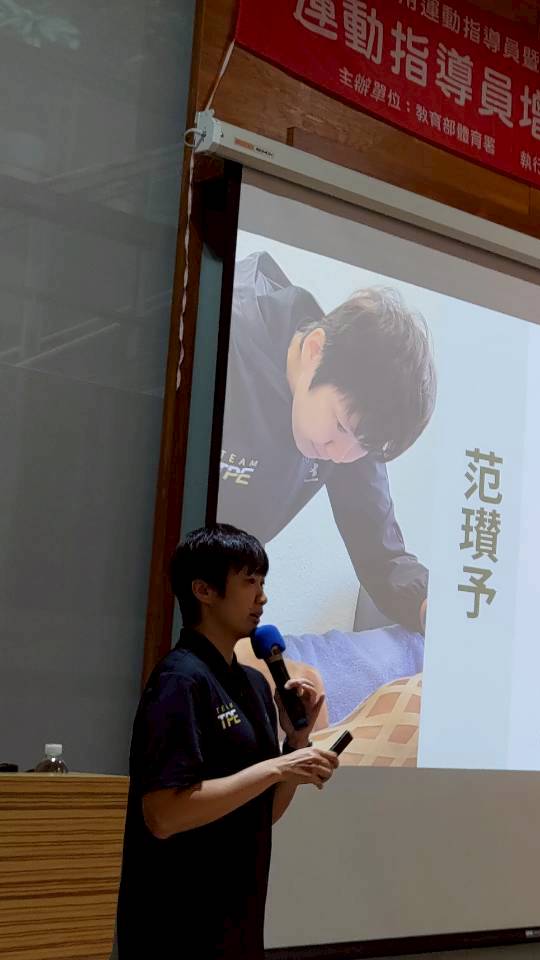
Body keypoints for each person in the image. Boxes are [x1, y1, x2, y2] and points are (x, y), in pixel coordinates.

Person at [114, 525, 338, 959]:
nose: (262, 598)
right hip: (176, 929)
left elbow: (262, 814)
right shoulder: (180, 679)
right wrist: (277, 768)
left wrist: (295, 744)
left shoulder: (254, 684)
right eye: (249, 581)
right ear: (203, 590)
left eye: (263, 582)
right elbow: (163, 816)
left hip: (238, 926)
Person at [218, 251, 438, 634]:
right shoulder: (228, 338)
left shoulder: (354, 435)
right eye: (339, 426)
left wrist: (432, 609)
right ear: (313, 350)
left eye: (363, 448)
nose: (342, 454)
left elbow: (381, 553)